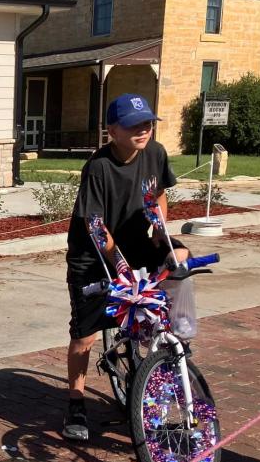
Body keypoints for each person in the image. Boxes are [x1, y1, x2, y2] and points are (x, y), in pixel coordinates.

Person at [63, 94, 189, 441]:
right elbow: (94, 226)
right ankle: (76, 402)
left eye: (147, 122)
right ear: (112, 131)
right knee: (85, 335)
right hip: (92, 254)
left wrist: (160, 229)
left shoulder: (156, 152)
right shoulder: (99, 167)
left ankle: (172, 336)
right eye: (134, 125)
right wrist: (118, 264)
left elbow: (160, 194)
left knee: (182, 257)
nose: (143, 130)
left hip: (135, 241)